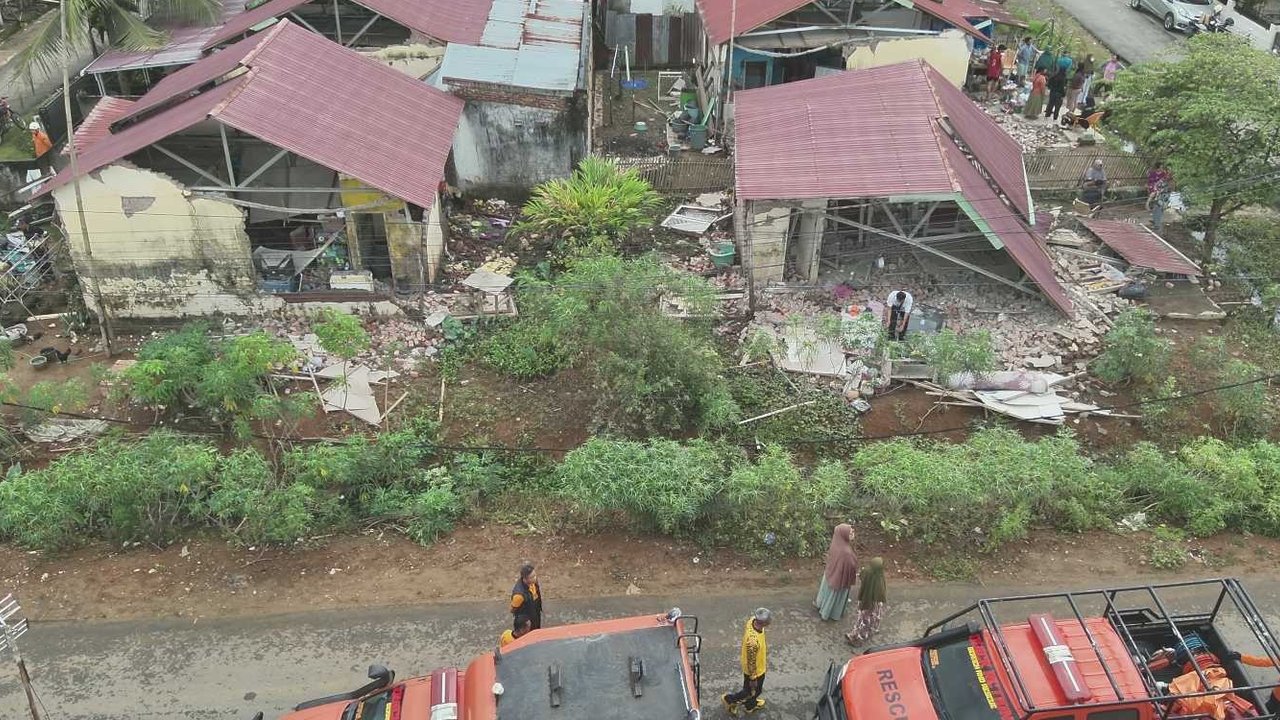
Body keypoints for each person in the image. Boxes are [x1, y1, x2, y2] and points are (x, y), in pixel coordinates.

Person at [723, 608, 771, 716]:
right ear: (763, 622)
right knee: (751, 691)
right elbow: (751, 661)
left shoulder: (752, 621)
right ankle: (729, 700)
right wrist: (753, 678)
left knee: (752, 691)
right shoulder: (753, 642)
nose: (770, 621)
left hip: (757, 665)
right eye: (769, 620)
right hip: (755, 670)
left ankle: (750, 705)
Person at [814, 524, 858, 621]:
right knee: (834, 598)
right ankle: (830, 613)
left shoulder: (836, 543)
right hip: (839, 580)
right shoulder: (846, 553)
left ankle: (821, 605)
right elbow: (850, 566)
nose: (853, 534)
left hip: (831, 574)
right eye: (850, 533)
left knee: (827, 593)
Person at [846, 557, 887, 646]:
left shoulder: (867, 571)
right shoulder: (879, 578)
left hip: (864, 599)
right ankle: (859, 636)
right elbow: (880, 594)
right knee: (868, 620)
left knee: (862, 618)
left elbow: (861, 575)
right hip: (872, 603)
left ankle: (855, 635)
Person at [510, 562, 543, 630]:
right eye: (532, 577)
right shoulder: (519, 595)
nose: (535, 578)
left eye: (535, 575)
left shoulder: (533, 582)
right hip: (526, 622)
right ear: (525, 578)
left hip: (535, 614)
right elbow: (513, 610)